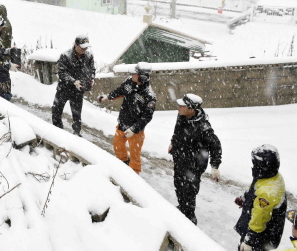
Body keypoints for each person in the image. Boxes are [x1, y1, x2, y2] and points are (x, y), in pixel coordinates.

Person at [167, 93, 222, 225]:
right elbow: (177, 132)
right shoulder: (181, 116)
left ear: (191, 109)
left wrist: (215, 166)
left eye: (182, 105)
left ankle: (190, 219)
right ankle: (182, 208)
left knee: (189, 192)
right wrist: (173, 142)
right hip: (180, 160)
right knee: (178, 186)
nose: (179, 107)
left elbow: (215, 145)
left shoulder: (203, 127)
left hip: (194, 165)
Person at [98, 62, 156, 173]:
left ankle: (134, 174)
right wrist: (108, 96)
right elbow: (120, 91)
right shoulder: (129, 82)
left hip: (136, 131)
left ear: (142, 77)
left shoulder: (149, 96)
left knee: (135, 155)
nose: (132, 75)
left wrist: (133, 129)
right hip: (123, 123)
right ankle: (123, 164)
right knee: (118, 146)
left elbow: (146, 117)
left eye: (135, 73)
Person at [235, 144, 287, 251]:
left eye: (255, 163)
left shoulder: (267, 192)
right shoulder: (269, 176)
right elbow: (256, 186)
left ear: (263, 165)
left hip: (260, 237)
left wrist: (249, 241)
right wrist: (245, 198)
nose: (253, 166)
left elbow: (260, 217)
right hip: (259, 231)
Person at [52, 35, 96, 136]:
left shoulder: (89, 56)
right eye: (82, 47)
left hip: (78, 90)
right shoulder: (65, 55)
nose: (84, 49)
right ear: (75, 44)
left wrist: (92, 78)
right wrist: (73, 81)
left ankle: (76, 133)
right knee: (56, 111)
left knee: (77, 114)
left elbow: (92, 70)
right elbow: (62, 73)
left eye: (86, 47)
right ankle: (57, 131)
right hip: (63, 89)